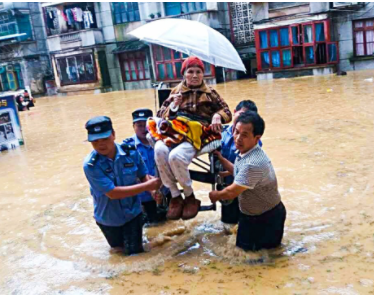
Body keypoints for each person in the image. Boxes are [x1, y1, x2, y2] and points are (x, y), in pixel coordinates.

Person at [154, 56, 232, 221]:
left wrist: (217, 116)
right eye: (190, 71)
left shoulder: (210, 93)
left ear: (203, 74)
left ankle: (189, 196)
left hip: (199, 134)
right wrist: (173, 105)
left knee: (175, 156)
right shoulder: (175, 91)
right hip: (176, 132)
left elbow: (227, 112)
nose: (195, 75)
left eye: (198, 72)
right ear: (184, 74)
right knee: (159, 150)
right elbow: (160, 115)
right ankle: (175, 196)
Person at [83, 116, 162, 255]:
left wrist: (153, 191)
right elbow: (112, 193)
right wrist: (147, 186)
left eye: (105, 139)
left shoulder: (130, 152)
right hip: (108, 219)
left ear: (113, 134)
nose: (100, 144)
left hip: (133, 213)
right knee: (118, 252)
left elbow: (143, 174)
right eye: (95, 141)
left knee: (135, 252)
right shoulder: (91, 165)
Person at [209, 111, 286, 251]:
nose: (237, 138)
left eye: (244, 135)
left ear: (257, 138)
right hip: (249, 214)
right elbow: (237, 171)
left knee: (265, 257)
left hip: (267, 217)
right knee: (243, 252)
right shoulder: (246, 152)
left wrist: (215, 195)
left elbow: (231, 192)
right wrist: (221, 159)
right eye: (236, 132)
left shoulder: (253, 163)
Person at [218, 100, 262, 224]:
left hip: (244, 189)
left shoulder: (253, 141)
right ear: (234, 112)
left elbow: (245, 168)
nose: (243, 120)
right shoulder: (221, 132)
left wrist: (227, 171)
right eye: (241, 115)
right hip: (227, 186)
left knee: (245, 223)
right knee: (227, 223)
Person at [123, 108, 169, 224]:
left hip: (165, 193)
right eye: (139, 125)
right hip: (142, 198)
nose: (144, 129)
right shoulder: (127, 148)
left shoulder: (164, 142)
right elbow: (129, 174)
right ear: (133, 126)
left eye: (146, 125)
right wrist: (151, 189)